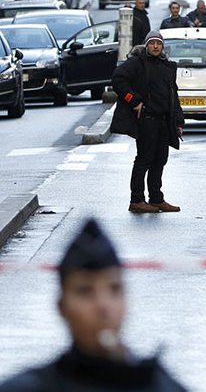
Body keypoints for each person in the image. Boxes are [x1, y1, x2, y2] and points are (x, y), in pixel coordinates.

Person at [0, 219, 186, 391]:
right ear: (62, 306)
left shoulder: (160, 385)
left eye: (114, 289)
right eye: (85, 291)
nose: (103, 306)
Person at [110, 31, 184, 213]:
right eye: (152, 43)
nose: (156, 46)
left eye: (158, 43)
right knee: (144, 159)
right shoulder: (137, 63)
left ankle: (156, 198)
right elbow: (118, 80)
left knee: (160, 160)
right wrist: (133, 100)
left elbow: (173, 95)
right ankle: (136, 200)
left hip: (164, 121)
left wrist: (178, 120)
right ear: (146, 45)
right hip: (146, 120)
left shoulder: (167, 67)